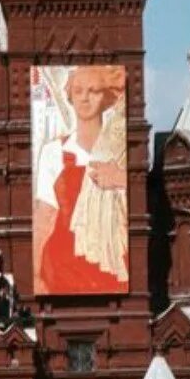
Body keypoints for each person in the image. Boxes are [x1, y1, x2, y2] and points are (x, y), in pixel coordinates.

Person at [32, 66, 129, 294]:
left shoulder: (120, 150)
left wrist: (118, 178)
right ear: (69, 97)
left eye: (93, 91)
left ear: (106, 98)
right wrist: (36, 276)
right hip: (62, 266)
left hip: (110, 264)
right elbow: (44, 217)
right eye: (78, 91)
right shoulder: (53, 152)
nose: (85, 98)